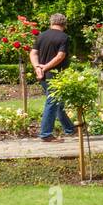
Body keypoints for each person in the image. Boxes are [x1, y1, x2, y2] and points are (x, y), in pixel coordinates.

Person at [31, 13, 76, 142]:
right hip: (55, 75)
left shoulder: (41, 36)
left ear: (51, 23)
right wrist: (45, 67)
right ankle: (46, 134)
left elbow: (33, 53)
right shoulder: (64, 37)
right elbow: (60, 56)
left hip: (43, 76)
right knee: (53, 102)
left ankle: (69, 129)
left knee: (58, 103)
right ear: (64, 24)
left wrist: (37, 68)